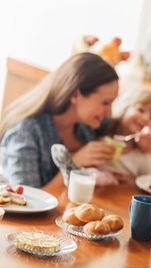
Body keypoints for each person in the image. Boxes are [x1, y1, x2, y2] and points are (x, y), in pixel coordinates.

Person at [0, 53, 119, 188]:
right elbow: (27, 201)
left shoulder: (86, 125)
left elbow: (119, 124)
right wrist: (74, 163)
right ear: (75, 95)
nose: (109, 112)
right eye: (105, 103)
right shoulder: (25, 132)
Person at [96, 88, 151, 183]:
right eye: (141, 110)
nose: (146, 119)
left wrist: (129, 183)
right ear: (125, 107)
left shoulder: (141, 157)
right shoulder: (97, 134)